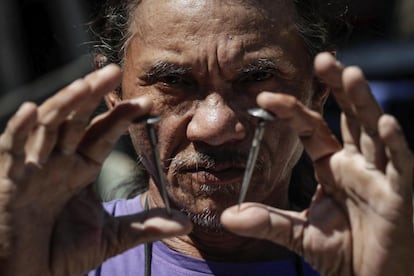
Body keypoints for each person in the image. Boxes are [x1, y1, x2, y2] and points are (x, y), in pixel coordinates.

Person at [0, 0, 413, 275]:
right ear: (112, 91)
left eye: (255, 78)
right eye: (173, 82)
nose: (214, 127)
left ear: (318, 89)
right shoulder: (54, 254)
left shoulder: (378, 255)